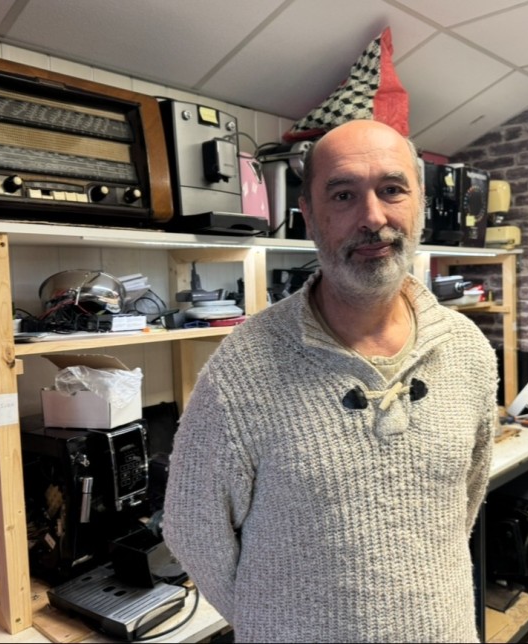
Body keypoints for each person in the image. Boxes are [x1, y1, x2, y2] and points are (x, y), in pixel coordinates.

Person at [163, 119, 498, 642]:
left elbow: (463, 503)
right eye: (343, 195)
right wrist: (278, 624)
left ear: (421, 206)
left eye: (392, 190)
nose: (373, 217)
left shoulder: (467, 351)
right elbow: (192, 531)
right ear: (309, 217)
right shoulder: (242, 370)